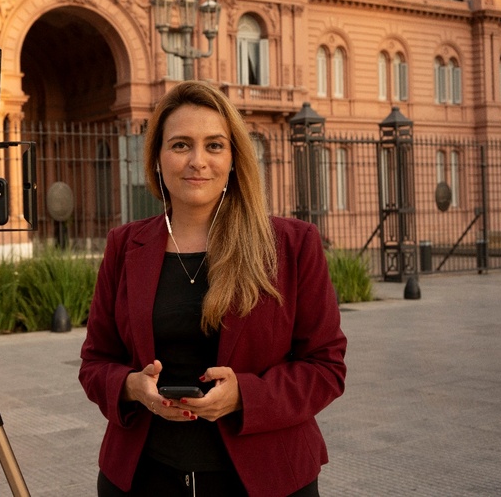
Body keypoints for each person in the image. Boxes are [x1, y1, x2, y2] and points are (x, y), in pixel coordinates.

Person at [78, 80, 347, 497]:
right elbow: (96, 362)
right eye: (181, 145)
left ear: (235, 158)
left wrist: (246, 396)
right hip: (143, 477)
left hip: (266, 479)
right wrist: (133, 388)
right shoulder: (124, 245)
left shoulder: (292, 245)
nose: (197, 161)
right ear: (157, 159)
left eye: (215, 146)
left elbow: (326, 367)